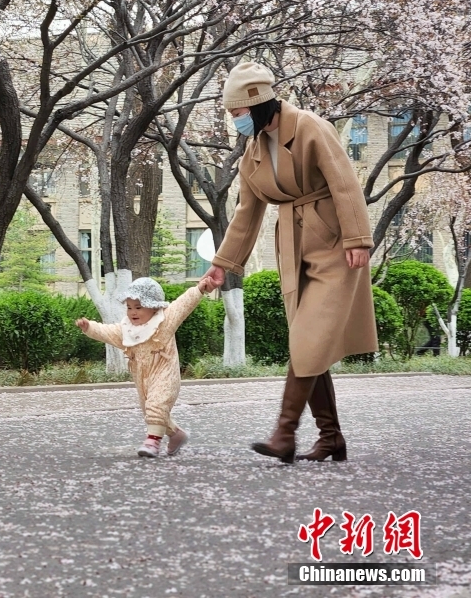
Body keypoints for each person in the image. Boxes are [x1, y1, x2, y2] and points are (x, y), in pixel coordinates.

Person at [201, 62, 377, 464]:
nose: (235, 121)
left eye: (238, 112)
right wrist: (222, 263)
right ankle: (331, 438)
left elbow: (344, 182)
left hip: (336, 248)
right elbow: (247, 212)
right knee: (307, 343)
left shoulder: (310, 127)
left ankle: (284, 434)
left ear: (259, 104)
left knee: (308, 339)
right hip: (293, 251)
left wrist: (357, 239)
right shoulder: (253, 151)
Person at [76, 276, 214, 458]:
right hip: (142, 379)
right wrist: (89, 327)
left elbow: (182, 304)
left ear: (154, 307)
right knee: (151, 411)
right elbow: (107, 332)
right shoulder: (127, 330)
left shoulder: (164, 322)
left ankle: (152, 442)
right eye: (129, 307)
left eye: (138, 307)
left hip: (165, 373)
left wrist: (199, 289)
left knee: (156, 405)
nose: (133, 312)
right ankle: (176, 434)